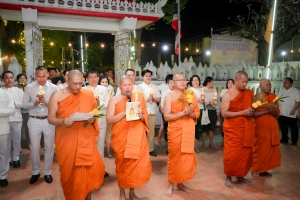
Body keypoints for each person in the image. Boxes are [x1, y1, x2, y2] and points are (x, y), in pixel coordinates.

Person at [48, 70, 104, 200]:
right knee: (70, 172)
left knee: (89, 169)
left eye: (80, 83)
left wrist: (91, 119)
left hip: (85, 138)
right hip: (67, 140)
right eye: (75, 84)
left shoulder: (88, 93)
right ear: (67, 81)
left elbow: (93, 112)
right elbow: (50, 118)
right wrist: (62, 121)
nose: (78, 87)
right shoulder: (56, 95)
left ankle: (88, 197)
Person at [106, 75, 151, 200]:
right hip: (121, 137)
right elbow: (109, 119)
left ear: (133, 85)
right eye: (124, 85)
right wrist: (123, 112)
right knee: (122, 165)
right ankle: (122, 193)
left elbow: (145, 116)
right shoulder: (114, 100)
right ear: (119, 86)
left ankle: (132, 193)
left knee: (135, 166)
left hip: (137, 136)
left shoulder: (138, 98)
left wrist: (141, 116)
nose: (127, 87)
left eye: (129, 85)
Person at [163, 74, 200, 197]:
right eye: (179, 80)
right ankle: (170, 184)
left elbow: (196, 113)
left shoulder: (191, 95)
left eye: (184, 79)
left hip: (188, 131)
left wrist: (190, 114)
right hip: (175, 130)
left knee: (185, 158)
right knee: (174, 158)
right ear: (173, 83)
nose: (182, 82)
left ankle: (181, 183)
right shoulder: (169, 97)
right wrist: (183, 113)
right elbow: (167, 116)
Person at [22, 66, 59, 184]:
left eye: (44, 76)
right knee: (34, 147)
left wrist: (47, 103)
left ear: (48, 75)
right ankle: (35, 171)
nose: (41, 79)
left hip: (49, 120)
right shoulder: (29, 87)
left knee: (49, 146)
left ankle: (47, 172)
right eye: (39, 76)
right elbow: (24, 104)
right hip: (34, 120)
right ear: (35, 75)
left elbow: (59, 106)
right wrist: (35, 103)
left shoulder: (54, 88)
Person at [222, 71, 255, 188]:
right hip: (233, 129)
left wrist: (251, 111)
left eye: (246, 82)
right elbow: (224, 113)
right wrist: (243, 112)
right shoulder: (228, 94)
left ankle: (240, 175)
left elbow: (250, 108)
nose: (245, 84)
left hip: (246, 127)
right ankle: (229, 176)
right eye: (243, 82)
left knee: (244, 153)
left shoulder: (248, 93)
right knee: (232, 154)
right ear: (236, 80)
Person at [252, 79, 281, 177]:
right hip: (260, 128)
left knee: (268, 149)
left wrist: (272, 111)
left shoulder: (274, 97)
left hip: (271, 128)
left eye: (270, 85)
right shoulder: (256, 98)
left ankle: (264, 170)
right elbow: (253, 114)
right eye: (267, 85)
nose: (269, 86)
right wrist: (266, 111)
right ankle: (255, 169)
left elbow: (277, 114)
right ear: (260, 86)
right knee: (259, 148)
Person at [84, 70, 110, 177]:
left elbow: (109, 103)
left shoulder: (104, 89)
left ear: (98, 78)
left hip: (101, 121)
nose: (93, 79)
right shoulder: (83, 90)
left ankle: (101, 169)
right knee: (89, 146)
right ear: (87, 79)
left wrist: (101, 103)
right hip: (88, 122)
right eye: (91, 77)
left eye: (95, 77)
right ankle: (89, 169)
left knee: (100, 145)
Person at [2, 71, 24, 168]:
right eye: (7, 78)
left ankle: (16, 158)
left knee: (16, 140)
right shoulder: (1, 92)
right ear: (2, 80)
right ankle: (7, 159)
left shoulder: (19, 91)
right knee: (6, 142)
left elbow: (23, 104)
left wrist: (13, 103)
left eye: (11, 77)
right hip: (4, 120)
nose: (9, 79)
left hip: (16, 118)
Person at [139, 69, 161, 157]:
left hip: (152, 111)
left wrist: (154, 99)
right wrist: (146, 99)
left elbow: (159, 98)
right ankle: (141, 149)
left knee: (151, 132)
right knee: (142, 131)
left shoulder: (155, 87)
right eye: (146, 76)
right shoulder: (139, 87)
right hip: (142, 112)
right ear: (142, 77)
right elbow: (137, 101)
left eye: (149, 76)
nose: (148, 77)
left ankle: (150, 149)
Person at [277, 77, 300, 145]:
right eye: (284, 82)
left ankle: (294, 141)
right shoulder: (281, 91)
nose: (284, 84)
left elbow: (298, 101)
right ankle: (284, 139)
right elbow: (277, 100)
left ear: (291, 83)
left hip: (291, 112)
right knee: (283, 127)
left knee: (293, 128)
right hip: (281, 112)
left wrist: (294, 109)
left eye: (286, 82)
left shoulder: (295, 91)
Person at [0, 88, 15, 187]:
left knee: (3, 152)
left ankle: (3, 176)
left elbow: (11, 110)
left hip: (2, 127)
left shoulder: (5, 93)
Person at [155, 74, 173, 147]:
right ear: (168, 84)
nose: (172, 84)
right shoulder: (165, 92)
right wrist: (164, 112)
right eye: (170, 83)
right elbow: (162, 104)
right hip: (166, 113)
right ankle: (166, 143)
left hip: (174, 113)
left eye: (173, 83)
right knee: (165, 128)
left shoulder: (177, 92)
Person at [188, 75, 204, 153]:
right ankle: (190, 147)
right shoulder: (189, 90)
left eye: (197, 80)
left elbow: (205, 100)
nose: (196, 82)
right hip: (192, 112)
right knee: (192, 129)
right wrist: (197, 100)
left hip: (201, 110)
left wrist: (204, 101)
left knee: (198, 129)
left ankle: (196, 146)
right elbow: (189, 103)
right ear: (191, 82)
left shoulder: (202, 90)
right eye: (194, 80)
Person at [99, 75, 113, 158]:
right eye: (102, 82)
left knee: (109, 133)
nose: (104, 84)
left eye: (106, 82)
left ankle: (108, 151)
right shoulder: (97, 91)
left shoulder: (110, 91)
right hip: (100, 116)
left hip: (109, 114)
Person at [202, 76, 217, 149]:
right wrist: (209, 102)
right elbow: (202, 99)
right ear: (208, 82)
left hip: (213, 110)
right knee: (204, 127)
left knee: (212, 126)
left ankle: (211, 142)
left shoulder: (214, 89)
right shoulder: (203, 89)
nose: (213, 83)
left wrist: (214, 103)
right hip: (206, 110)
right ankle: (204, 143)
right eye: (212, 82)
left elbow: (216, 98)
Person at [17, 73, 30, 149]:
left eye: (24, 78)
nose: (22, 79)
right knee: (20, 129)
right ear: (18, 80)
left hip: (28, 111)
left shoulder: (28, 88)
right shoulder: (16, 89)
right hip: (19, 111)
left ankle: (28, 143)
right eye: (20, 78)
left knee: (28, 127)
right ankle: (19, 145)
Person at [219, 79, 234, 145]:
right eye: (229, 83)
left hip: (232, 112)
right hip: (224, 111)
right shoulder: (224, 91)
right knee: (223, 127)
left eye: (232, 83)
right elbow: (221, 100)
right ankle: (223, 141)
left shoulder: (236, 92)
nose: (230, 84)